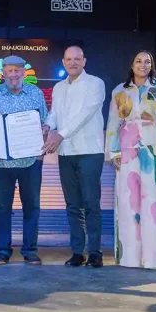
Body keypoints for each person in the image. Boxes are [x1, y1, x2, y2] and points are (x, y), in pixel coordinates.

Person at [105, 51, 156, 270]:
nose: (143, 64)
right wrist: (114, 152)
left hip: (155, 147)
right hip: (127, 148)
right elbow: (113, 123)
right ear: (131, 64)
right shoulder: (119, 91)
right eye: (138, 61)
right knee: (129, 200)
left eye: (147, 61)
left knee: (155, 200)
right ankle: (130, 257)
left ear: (151, 65)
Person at [42, 46, 106, 268]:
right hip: (66, 152)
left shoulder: (96, 84)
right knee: (72, 205)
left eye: (77, 59)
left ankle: (95, 252)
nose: (73, 62)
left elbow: (85, 115)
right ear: (63, 62)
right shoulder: (58, 87)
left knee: (91, 203)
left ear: (84, 61)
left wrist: (59, 134)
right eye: (69, 59)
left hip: (90, 151)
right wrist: (47, 125)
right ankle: (77, 252)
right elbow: (55, 113)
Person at [0, 55, 48, 266]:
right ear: (3, 73)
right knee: (2, 207)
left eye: (17, 70)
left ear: (24, 72)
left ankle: (30, 250)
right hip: (2, 162)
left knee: (32, 207)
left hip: (30, 161)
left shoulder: (36, 93)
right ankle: (3, 250)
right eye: (9, 70)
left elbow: (45, 122)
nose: (13, 74)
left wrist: (42, 145)